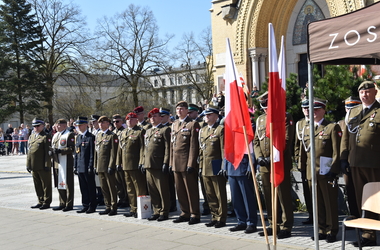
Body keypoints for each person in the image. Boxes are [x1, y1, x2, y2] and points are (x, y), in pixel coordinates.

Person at [341, 81, 380, 247]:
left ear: (375, 92)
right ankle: (368, 235)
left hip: (375, 163)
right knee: (361, 200)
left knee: (376, 200)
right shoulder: (354, 112)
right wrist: (343, 158)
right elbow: (345, 137)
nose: (365, 95)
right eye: (362, 93)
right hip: (355, 163)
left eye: (368, 92)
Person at [254, 91, 294, 239]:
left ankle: (286, 225)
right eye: (263, 105)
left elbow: (287, 139)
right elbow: (256, 141)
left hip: (279, 163)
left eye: (267, 104)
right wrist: (259, 157)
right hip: (264, 164)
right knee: (269, 195)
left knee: (283, 195)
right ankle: (273, 224)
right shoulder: (260, 120)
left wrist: (273, 157)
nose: (265, 108)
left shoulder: (284, 117)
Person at [300, 98, 341, 243]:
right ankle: (320, 229)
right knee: (317, 204)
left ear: (323, 110)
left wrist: (334, 170)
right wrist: (303, 168)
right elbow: (303, 152)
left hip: (326, 173)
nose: (313, 112)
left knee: (329, 204)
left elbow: (337, 151)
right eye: (311, 109)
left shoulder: (331, 127)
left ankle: (332, 230)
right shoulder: (307, 128)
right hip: (312, 173)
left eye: (317, 109)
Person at [170, 101, 201, 225]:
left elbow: (193, 146)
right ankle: (184, 212)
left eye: (182, 109)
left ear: (186, 110)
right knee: (180, 190)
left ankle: (194, 213)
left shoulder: (192, 124)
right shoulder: (175, 124)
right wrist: (171, 163)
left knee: (191, 190)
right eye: (177, 109)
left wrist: (191, 164)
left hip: (186, 162)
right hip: (176, 162)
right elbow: (172, 145)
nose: (179, 111)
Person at [199, 105, 227, 228]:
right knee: (209, 193)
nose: (206, 117)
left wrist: (223, 166)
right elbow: (201, 150)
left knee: (219, 193)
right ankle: (214, 216)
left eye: (209, 115)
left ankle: (221, 218)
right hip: (205, 165)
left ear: (216, 116)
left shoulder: (220, 129)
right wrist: (200, 165)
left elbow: (223, 149)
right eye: (206, 115)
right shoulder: (203, 130)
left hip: (216, 164)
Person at [116, 112, 147, 218]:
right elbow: (120, 149)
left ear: (136, 120)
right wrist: (118, 162)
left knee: (139, 188)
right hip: (125, 165)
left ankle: (141, 208)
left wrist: (142, 162)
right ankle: (133, 208)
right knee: (129, 188)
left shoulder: (140, 131)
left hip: (135, 164)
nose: (129, 121)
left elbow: (143, 148)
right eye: (128, 119)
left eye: (132, 119)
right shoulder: (123, 132)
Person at [143, 108, 171, 221]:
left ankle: (164, 212)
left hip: (159, 164)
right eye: (151, 117)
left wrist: (166, 162)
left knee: (162, 189)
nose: (152, 119)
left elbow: (168, 148)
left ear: (161, 117)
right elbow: (146, 148)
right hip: (149, 164)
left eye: (155, 116)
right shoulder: (148, 131)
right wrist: (143, 162)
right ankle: (156, 210)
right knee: (152, 189)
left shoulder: (165, 130)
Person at [337, 97, 361, 219]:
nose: (349, 110)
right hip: (347, 161)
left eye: (353, 107)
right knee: (350, 190)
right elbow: (340, 144)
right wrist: (342, 160)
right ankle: (354, 215)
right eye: (347, 107)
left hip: (362, 161)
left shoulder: (362, 120)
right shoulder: (340, 124)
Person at [226, 153, 258, 234]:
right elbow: (226, 150)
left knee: (247, 199)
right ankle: (241, 221)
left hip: (243, 167)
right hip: (231, 168)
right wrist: (224, 167)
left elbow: (252, 151)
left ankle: (251, 222)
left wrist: (250, 167)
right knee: (236, 199)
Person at [294, 98, 313, 225]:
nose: (306, 110)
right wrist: (297, 159)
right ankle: (311, 215)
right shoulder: (299, 124)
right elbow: (296, 145)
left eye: (308, 107)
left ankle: (321, 217)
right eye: (304, 108)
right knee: (307, 190)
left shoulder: (317, 122)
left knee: (317, 191)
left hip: (315, 163)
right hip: (304, 163)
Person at [94, 116, 119, 216]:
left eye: (103, 122)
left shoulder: (112, 136)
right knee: (104, 187)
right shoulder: (98, 135)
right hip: (100, 165)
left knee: (111, 187)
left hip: (108, 165)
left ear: (108, 124)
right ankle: (107, 205)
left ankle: (113, 207)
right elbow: (96, 152)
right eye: (99, 123)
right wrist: (95, 165)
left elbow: (114, 153)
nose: (100, 124)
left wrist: (111, 165)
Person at [27, 118, 52, 210]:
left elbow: (47, 152)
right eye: (34, 126)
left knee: (46, 185)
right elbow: (29, 152)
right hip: (34, 165)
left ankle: (46, 202)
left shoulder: (46, 136)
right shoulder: (32, 136)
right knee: (37, 185)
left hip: (42, 165)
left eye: (37, 126)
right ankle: (40, 200)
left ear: (42, 126)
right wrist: (28, 164)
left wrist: (47, 165)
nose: (35, 128)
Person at [74, 116, 97, 214]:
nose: (78, 127)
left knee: (90, 187)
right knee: (83, 187)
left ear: (85, 125)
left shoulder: (90, 137)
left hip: (87, 166)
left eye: (80, 125)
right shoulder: (78, 137)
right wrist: (75, 166)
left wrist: (90, 166)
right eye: (78, 125)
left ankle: (92, 205)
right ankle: (85, 204)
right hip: (80, 166)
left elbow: (92, 153)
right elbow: (76, 153)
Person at [51, 119, 75, 212]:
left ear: (64, 126)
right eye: (56, 125)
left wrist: (61, 151)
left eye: (59, 125)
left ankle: (69, 204)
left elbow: (72, 148)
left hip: (66, 163)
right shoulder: (56, 135)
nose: (57, 127)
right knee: (59, 183)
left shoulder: (69, 134)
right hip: (57, 162)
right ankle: (62, 202)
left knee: (68, 184)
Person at [160, 107, 177, 212]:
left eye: (163, 116)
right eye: (160, 116)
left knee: (170, 183)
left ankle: (172, 204)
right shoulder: (159, 128)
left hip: (169, 159)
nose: (161, 118)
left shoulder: (171, 128)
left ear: (167, 117)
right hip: (160, 159)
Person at [112, 114, 129, 209]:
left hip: (123, 160)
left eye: (117, 121)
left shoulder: (124, 131)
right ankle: (121, 198)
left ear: (122, 122)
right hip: (114, 160)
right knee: (117, 182)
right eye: (113, 122)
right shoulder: (113, 132)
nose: (115, 123)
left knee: (124, 181)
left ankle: (126, 199)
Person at [90, 114, 104, 205]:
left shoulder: (100, 132)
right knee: (96, 181)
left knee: (100, 180)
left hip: (100, 158)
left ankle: (101, 197)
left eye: (94, 121)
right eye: (92, 122)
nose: (93, 123)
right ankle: (98, 196)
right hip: (94, 158)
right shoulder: (92, 131)